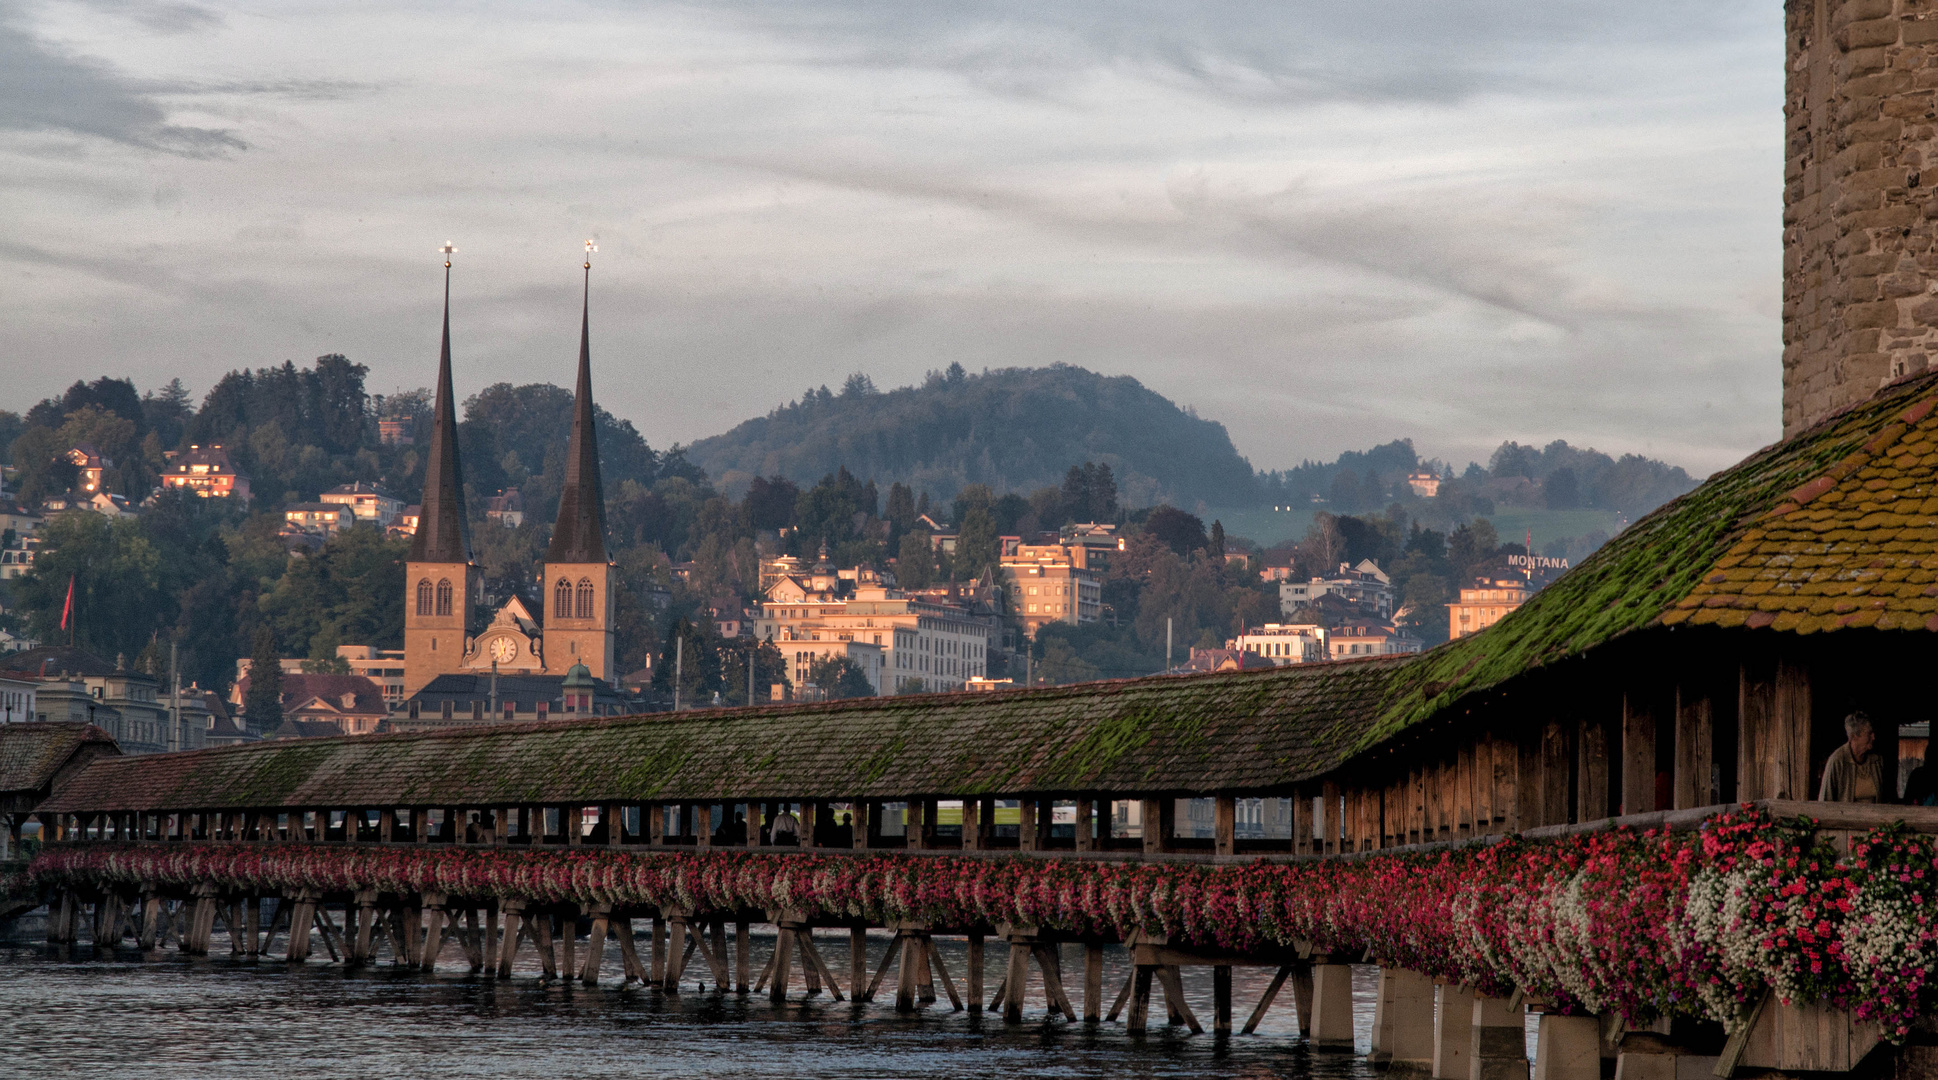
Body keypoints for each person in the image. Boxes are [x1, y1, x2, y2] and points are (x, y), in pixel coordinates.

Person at [1819, 711, 1886, 803]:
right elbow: (1825, 799)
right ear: (1854, 736)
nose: (1873, 737)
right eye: (1869, 734)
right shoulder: (1838, 760)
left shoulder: (1877, 760)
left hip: (1874, 816)